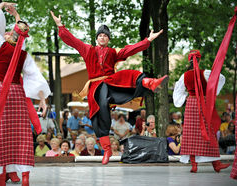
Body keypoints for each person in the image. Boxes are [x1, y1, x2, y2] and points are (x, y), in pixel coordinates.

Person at [51, 11, 167, 165]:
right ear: (97, 38)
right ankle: (107, 149)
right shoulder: (88, 50)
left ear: (108, 39)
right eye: (100, 35)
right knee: (99, 119)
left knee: (129, 74)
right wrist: (60, 26)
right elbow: (73, 41)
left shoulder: (113, 52)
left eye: (105, 36)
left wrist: (147, 41)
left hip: (111, 82)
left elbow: (129, 50)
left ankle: (149, 83)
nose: (103, 37)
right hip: (95, 88)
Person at [0, 3, 51, 186]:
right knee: (20, 134)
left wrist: (1, 6)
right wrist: (43, 100)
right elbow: (36, 77)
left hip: (0, 93)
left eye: (9, 32)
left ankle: (0, 179)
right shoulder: (23, 54)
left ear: (11, 34)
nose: (5, 34)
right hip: (18, 95)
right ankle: (25, 177)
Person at [173, 50, 230, 173]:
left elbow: (178, 92)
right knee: (209, 132)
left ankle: (194, 165)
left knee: (191, 134)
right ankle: (216, 164)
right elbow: (220, 78)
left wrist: (184, 98)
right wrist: (211, 92)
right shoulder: (206, 73)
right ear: (199, 60)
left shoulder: (184, 76)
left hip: (191, 105)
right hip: (204, 104)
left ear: (189, 60)